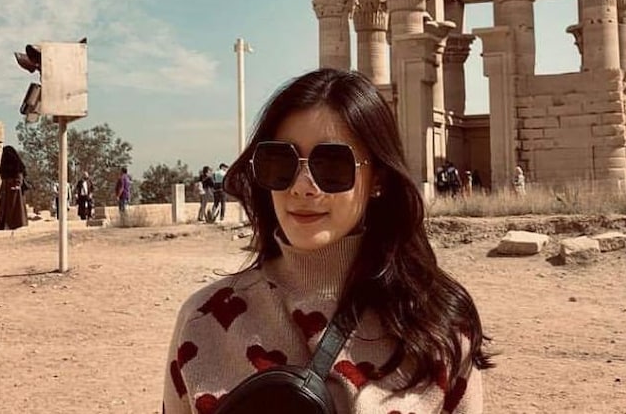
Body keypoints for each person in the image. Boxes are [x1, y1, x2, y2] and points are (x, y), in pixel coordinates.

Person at [162, 68, 490, 414]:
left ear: (378, 178)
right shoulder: (205, 321)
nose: (302, 186)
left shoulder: (438, 327)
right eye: (280, 162)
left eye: (332, 165)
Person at [0, 145, 28, 230]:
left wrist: (17, 184)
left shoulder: (17, 165)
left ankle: (14, 224)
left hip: (14, 188)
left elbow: (19, 174)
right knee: (5, 208)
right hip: (6, 187)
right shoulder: (9, 165)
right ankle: (3, 224)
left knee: (14, 207)